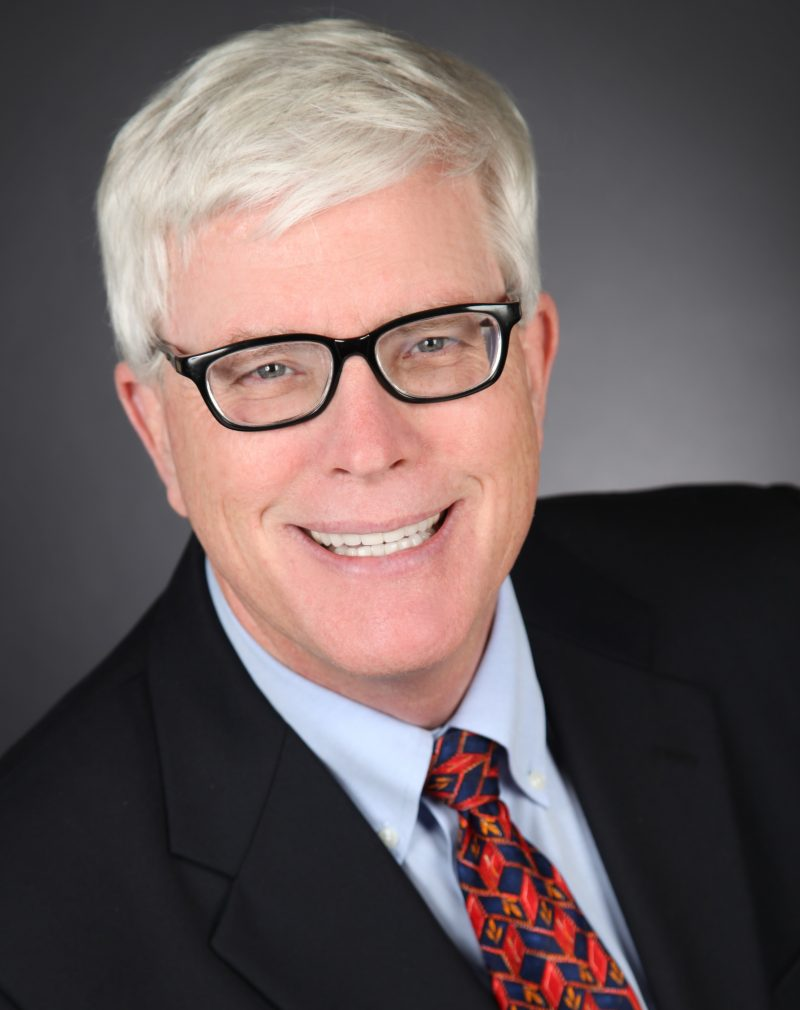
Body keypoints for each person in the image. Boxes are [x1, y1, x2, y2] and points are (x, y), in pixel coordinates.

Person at [0, 18, 797, 1010]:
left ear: (533, 366)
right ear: (158, 431)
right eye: (270, 368)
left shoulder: (778, 601)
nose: (370, 445)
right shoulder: (27, 940)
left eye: (430, 341)